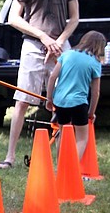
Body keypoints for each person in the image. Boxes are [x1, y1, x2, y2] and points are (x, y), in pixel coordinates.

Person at [0, 0, 81, 169]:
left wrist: (59, 41)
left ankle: (64, 159)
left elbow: (74, 18)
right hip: (34, 45)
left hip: (60, 46)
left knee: (65, 100)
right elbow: (14, 18)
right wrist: (44, 37)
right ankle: (10, 157)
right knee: (23, 100)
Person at [45, 30, 105, 159]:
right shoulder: (95, 63)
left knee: (63, 133)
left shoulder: (67, 55)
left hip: (60, 101)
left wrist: (49, 99)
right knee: (82, 138)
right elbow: (95, 92)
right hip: (78, 102)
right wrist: (91, 112)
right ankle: (73, 168)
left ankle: (61, 167)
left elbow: (52, 77)